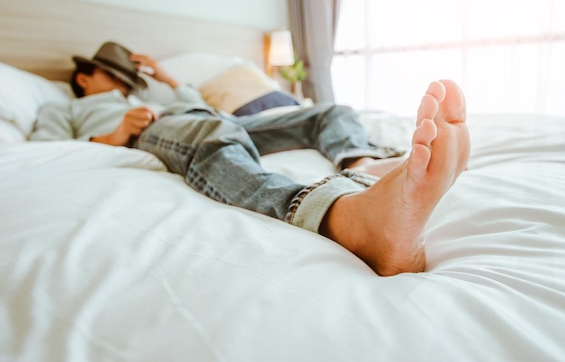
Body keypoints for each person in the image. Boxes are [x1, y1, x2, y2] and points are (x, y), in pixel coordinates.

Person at [31, 42, 470, 276]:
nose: (125, 84)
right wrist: (117, 132)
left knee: (328, 112)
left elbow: (195, 99)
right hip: (155, 132)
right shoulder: (64, 108)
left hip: (207, 116)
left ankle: (360, 165)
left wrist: (162, 76)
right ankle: (343, 216)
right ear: (84, 77)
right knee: (213, 135)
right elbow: (50, 150)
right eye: (114, 75)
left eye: (130, 77)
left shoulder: (154, 92)